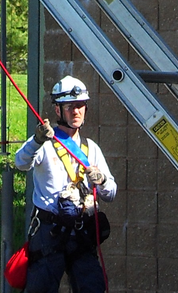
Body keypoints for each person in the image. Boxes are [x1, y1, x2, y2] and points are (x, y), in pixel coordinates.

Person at [13, 75, 117, 293]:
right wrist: (36, 140)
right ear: (58, 110)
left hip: (80, 232)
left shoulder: (91, 149)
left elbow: (111, 193)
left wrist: (102, 180)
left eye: (80, 106)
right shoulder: (45, 144)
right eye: (70, 107)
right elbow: (21, 163)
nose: (76, 111)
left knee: (93, 287)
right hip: (49, 232)